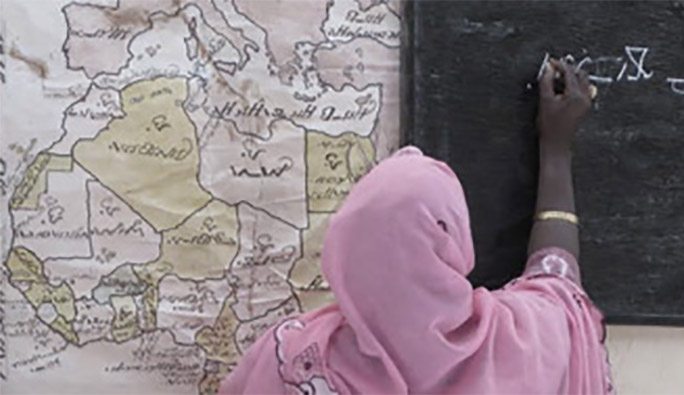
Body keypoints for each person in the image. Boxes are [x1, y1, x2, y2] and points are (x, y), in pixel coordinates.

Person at [220, 60, 612, 394]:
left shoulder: (294, 361)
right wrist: (557, 150)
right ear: (455, 241)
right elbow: (557, 278)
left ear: (346, 249)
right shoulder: (524, 343)